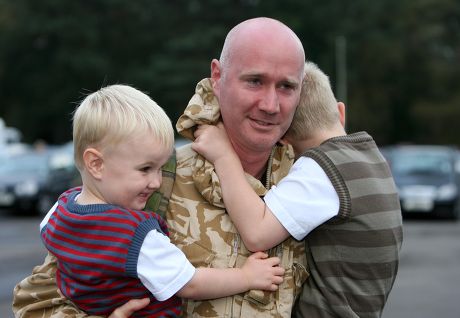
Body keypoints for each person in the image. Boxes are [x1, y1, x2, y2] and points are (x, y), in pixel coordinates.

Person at [13, 17, 308, 318]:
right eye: (255, 81)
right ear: (217, 77)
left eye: (286, 86)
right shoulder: (153, 178)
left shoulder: (313, 191)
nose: (271, 105)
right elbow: (36, 304)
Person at [192, 61, 404, 317]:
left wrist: (224, 156)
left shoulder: (322, 170)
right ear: (340, 112)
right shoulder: (369, 156)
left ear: (283, 140)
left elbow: (257, 233)